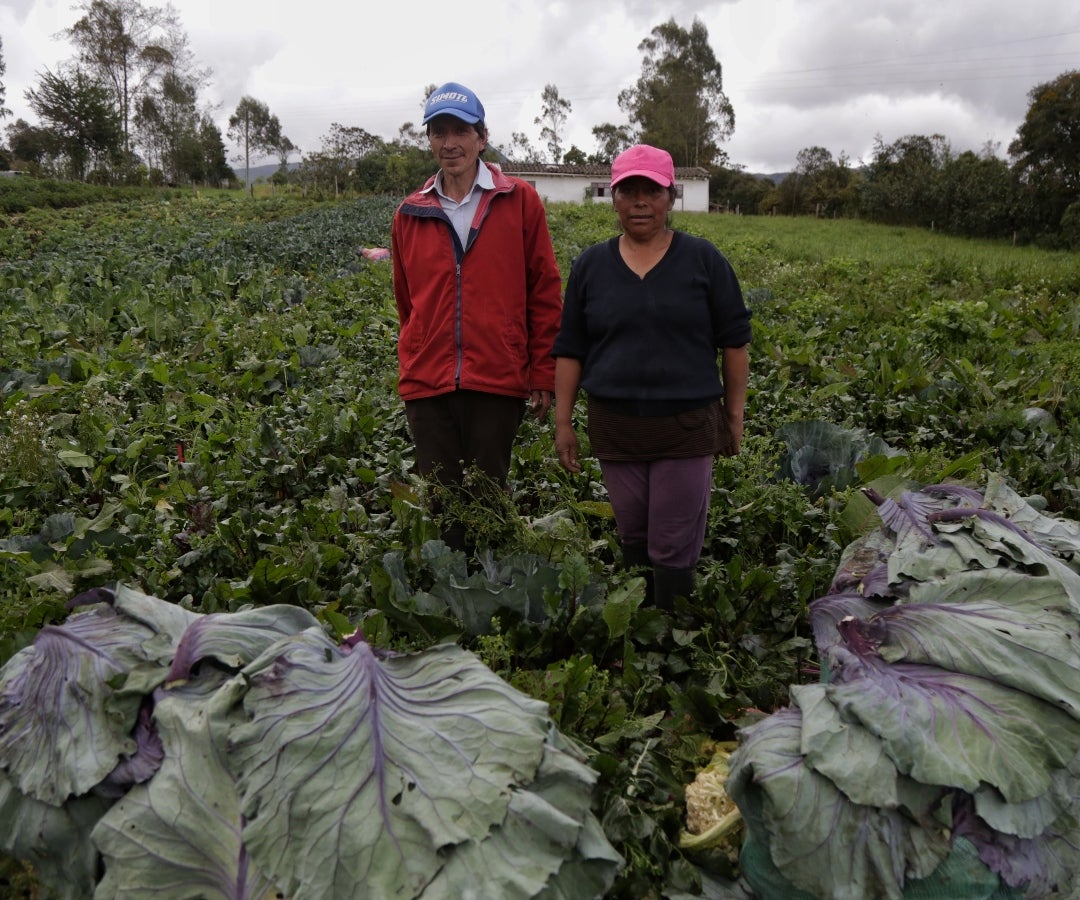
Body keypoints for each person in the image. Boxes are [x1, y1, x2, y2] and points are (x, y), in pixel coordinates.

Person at [551, 144, 752, 609]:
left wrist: (734, 416)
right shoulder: (591, 266)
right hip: (615, 426)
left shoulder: (703, 260)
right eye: (628, 190)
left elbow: (735, 341)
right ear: (613, 197)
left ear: (670, 197)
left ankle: (672, 630)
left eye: (652, 191)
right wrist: (564, 423)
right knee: (634, 530)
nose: (640, 201)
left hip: (686, 425)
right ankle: (639, 628)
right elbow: (570, 348)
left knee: (673, 539)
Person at [391, 81, 563, 552]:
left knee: (489, 493)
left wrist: (542, 371)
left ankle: (493, 595)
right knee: (443, 498)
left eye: (460, 131)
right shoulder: (410, 211)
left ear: (481, 137)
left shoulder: (519, 200)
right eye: (438, 132)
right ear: (429, 140)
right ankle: (454, 598)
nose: (450, 143)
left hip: (497, 375)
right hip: (428, 380)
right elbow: (406, 299)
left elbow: (544, 291)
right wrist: (422, 346)